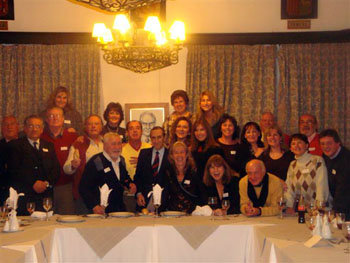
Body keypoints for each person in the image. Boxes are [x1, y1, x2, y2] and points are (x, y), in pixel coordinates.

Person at [7, 115, 60, 215]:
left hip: (45, 197)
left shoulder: (49, 145)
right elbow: (14, 171)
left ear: (42, 129)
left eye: (37, 126)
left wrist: (46, 183)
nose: (34, 129)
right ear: (25, 129)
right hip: (25, 196)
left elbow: (56, 169)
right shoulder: (15, 146)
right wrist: (33, 183)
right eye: (31, 126)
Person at [79, 133, 136, 214]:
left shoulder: (121, 160)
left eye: (119, 143)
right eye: (113, 144)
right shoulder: (96, 161)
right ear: (104, 146)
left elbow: (123, 178)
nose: (117, 147)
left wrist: (130, 184)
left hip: (119, 209)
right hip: (101, 210)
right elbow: (83, 187)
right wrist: (94, 206)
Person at [63, 115, 104, 214]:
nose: (93, 126)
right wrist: (73, 165)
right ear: (85, 127)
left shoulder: (107, 143)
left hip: (105, 194)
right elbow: (66, 169)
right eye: (90, 124)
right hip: (85, 194)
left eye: (96, 124)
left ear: (101, 126)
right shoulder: (78, 144)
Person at [41, 107, 78, 214]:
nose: (55, 118)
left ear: (63, 119)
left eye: (58, 116)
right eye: (51, 116)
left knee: (67, 219)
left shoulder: (73, 137)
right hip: (45, 187)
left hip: (65, 186)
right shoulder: (40, 136)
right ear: (46, 120)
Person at [285, 133, 329, 214]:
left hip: (317, 210)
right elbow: (289, 188)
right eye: (293, 144)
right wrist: (289, 206)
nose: (296, 146)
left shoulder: (317, 161)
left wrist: (318, 207)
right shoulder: (292, 165)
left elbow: (322, 185)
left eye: (299, 142)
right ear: (290, 148)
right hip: (300, 210)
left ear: (306, 145)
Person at [165, 141, 207, 213]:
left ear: (187, 154)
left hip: (193, 215)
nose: (179, 155)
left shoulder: (195, 172)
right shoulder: (167, 173)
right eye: (176, 152)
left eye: (182, 152)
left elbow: (202, 195)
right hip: (172, 214)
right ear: (171, 155)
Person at [134, 126, 169, 212]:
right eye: (153, 138)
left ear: (164, 137)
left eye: (159, 137)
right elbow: (138, 177)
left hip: (165, 203)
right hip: (144, 201)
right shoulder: (144, 153)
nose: (156, 141)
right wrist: (138, 194)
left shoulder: (170, 155)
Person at [319, 129, 350, 220]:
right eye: (322, 144)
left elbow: (343, 190)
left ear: (338, 143)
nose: (325, 147)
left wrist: (335, 212)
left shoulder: (346, 160)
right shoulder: (325, 157)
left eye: (329, 143)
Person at [121, 120, 151, 212]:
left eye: (138, 128)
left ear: (142, 131)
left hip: (146, 192)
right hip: (128, 193)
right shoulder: (121, 150)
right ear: (126, 132)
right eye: (131, 128)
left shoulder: (149, 148)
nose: (135, 131)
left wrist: (142, 162)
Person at [0, 116, 20, 204]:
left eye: (12, 124)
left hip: (21, 192)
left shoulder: (26, 145)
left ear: (18, 127)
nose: (9, 127)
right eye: (6, 125)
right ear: (1, 128)